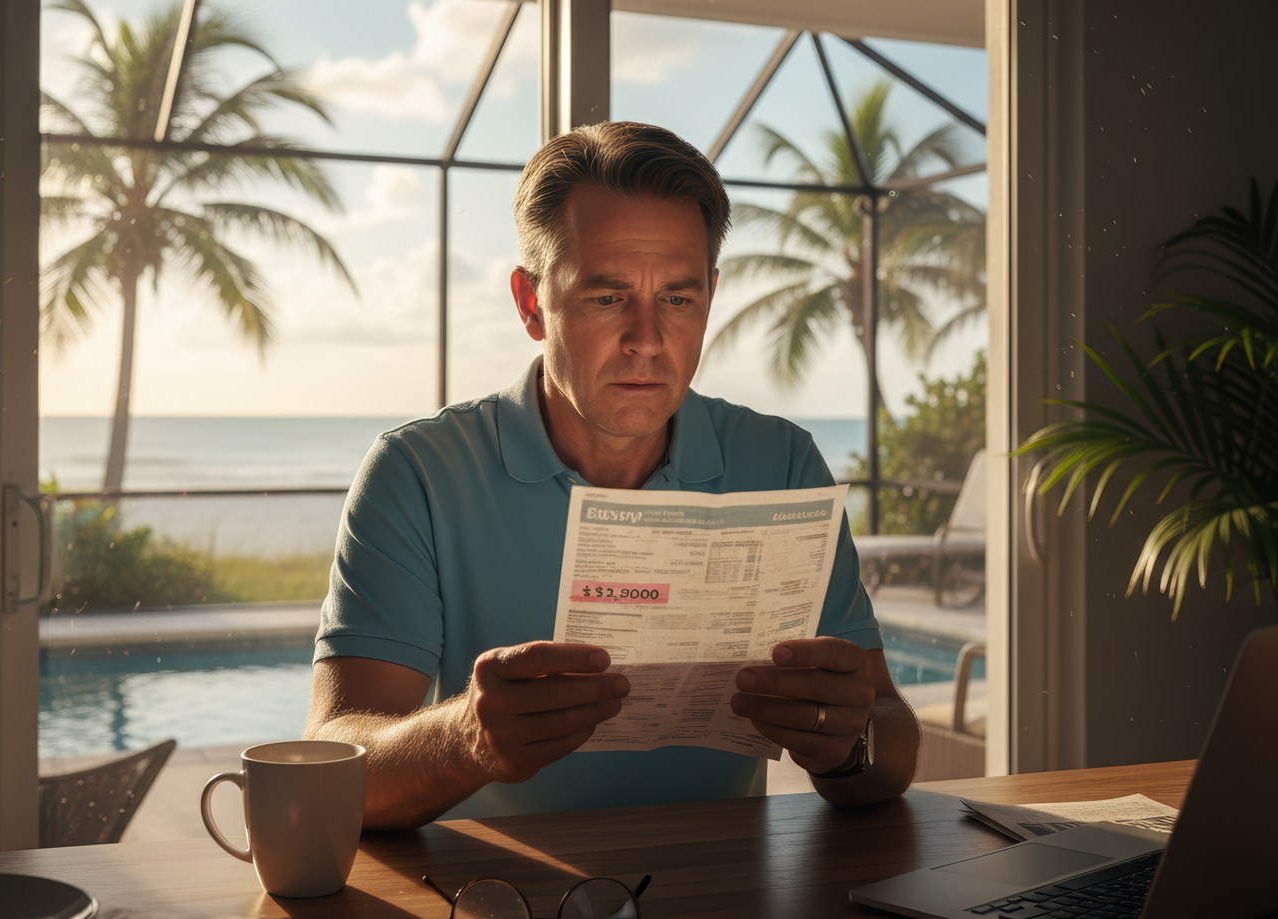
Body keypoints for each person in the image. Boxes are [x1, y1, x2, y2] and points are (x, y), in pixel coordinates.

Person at [304, 121, 920, 829]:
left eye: (679, 299)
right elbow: (330, 756)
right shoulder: (417, 474)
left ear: (710, 298)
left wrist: (849, 746)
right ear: (531, 304)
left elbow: (891, 741)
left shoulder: (780, 463)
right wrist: (467, 737)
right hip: (495, 894)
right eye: (607, 297)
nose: (647, 340)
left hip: (721, 891)